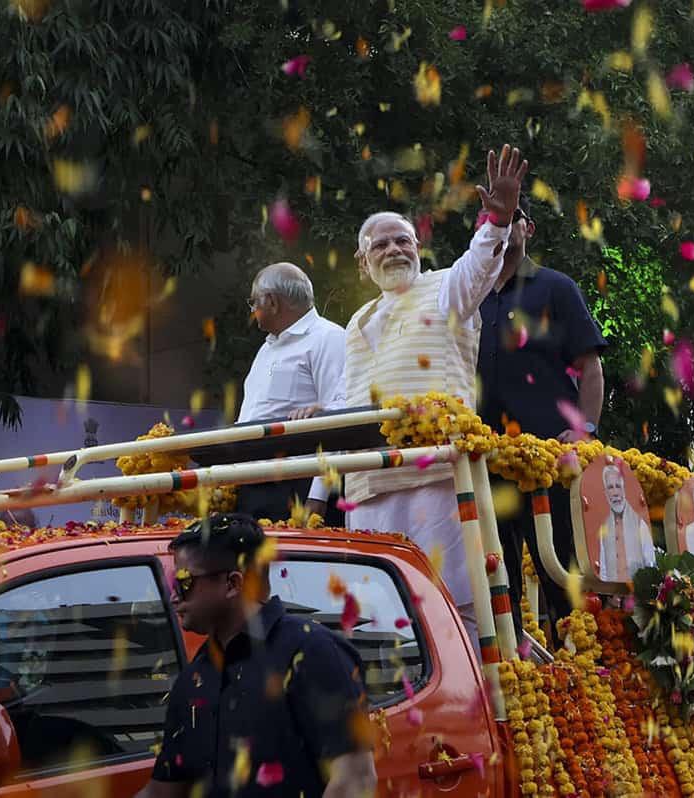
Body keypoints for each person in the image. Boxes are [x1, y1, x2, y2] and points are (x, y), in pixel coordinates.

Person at [342, 144, 528, 641]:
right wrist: (321, 496)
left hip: (435, 480)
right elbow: (342, 411)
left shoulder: (448, 290)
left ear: (418, 249)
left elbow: (480, 266)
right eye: (380, 246)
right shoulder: (354, 326)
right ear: (363, 264)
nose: (394, 251)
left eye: (402, 241)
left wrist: (498, 218)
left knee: (453, 612)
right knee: (380, 621)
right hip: (369, 490)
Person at [136, 513, 375, 798]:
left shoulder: (312, 652)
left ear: (233, 584)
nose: (174, 596)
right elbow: (163, 792)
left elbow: (355, 778)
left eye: (184, 581)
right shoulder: (195, 678)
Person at [475, 191, 607, 641]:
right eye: (491, 219)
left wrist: (586, 431)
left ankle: (583, 672)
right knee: (496, 576)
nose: (501, 225)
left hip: (551, 461)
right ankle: (516, 674)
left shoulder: (555, 287)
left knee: (562, 571)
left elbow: (591, 365)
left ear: (528, 228)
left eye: (513, 218)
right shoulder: (468, 295)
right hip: (483, 464)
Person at [236, 263, 346, 521]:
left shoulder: (328, 338)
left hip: (298, 485)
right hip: (252, 486)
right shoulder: (267, 348)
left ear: (271, 301)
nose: (253, 310)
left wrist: (319, 495)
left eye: (254, 302)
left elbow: (340, 420)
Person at [598, 465, 655, 583]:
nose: (615, 493)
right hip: (614, 595)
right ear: (605, 492)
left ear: (624, 489)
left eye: (618, 486)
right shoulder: (604, 527)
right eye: (610, 487)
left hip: (638, 594)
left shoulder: (640, 523)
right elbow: (603, 569)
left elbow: (650, 562)